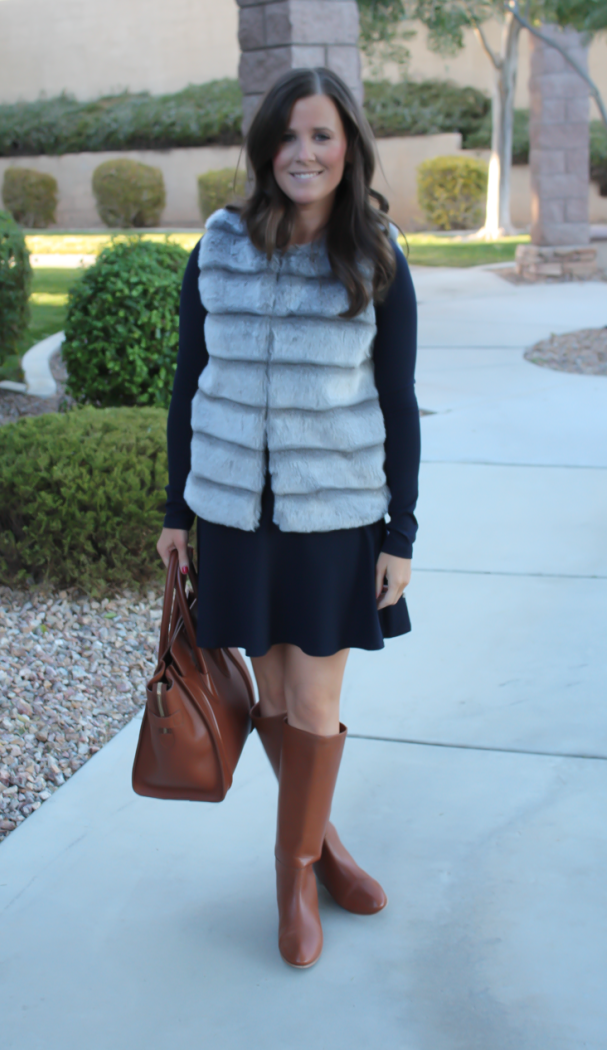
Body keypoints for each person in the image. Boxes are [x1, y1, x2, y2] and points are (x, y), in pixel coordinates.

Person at [157, 67, 420, 969]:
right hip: (232, 514)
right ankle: (324, 853)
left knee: (312, 702)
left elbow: (397, 401)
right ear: (265, 147)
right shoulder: (219, 246)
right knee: (269, 700)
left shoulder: (374, 252)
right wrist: (176, 512)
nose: (302, 153)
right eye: (287, 136)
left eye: (320, 136)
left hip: (332, 518)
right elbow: (188, 382)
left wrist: (400, 535)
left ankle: (292, 881)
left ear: (347, 146)